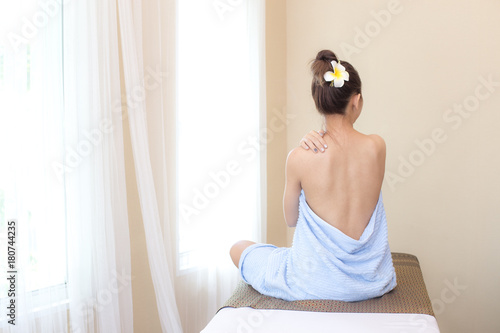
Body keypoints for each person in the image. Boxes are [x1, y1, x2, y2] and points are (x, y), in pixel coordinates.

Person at [229, 50, 397, 302]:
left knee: (238, 247)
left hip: (313, 282)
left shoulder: (299, 157)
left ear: (319, 103)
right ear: (357, 100)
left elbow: (291, 219)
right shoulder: (377, 147)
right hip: (370, 281)